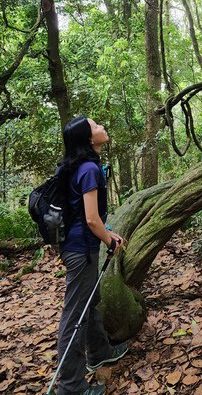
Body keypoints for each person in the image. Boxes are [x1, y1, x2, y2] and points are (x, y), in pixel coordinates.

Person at [56, 116, 128, 395]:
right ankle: (70, 386)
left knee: (90, 299)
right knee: (75, 316)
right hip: (81, 249)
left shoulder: (81, 166)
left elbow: (86, 216)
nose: (102, 127)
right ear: (89, 139)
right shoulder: (88, 169)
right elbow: (90, 219)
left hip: (79, 246)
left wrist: (107, 235)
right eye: (96, 126)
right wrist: (108, 238)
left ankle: (100, 352)